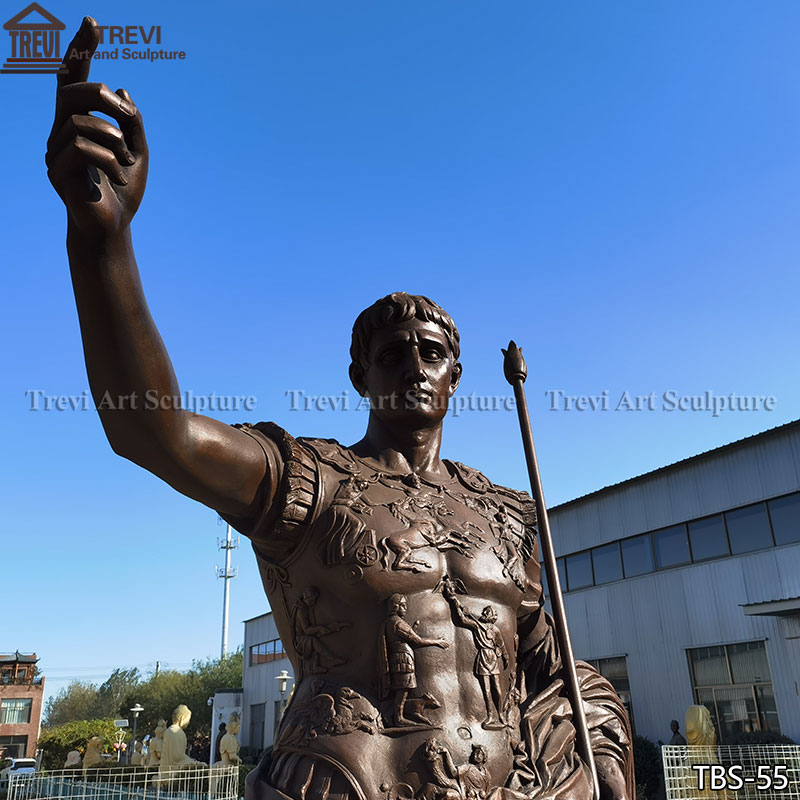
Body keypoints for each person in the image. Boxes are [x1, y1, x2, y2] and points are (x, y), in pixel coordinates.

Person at [47, 19, 633, 800]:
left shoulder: (506, 512)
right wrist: (103, 243)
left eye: (431, 353)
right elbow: (154, 431)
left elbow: (554, 672)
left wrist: (598, 750)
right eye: (391, 354)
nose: (413, 365)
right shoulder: (310, 480)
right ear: (359, 374)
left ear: (456, 376)